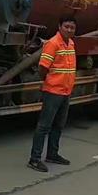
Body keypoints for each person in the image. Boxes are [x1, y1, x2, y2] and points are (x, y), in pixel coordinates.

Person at [28, 16, 77, 172]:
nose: (69, 30)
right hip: (53, 91)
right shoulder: (53, 43)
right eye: (66, 26)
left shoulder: (71, 44)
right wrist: (50, 81)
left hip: (66, 91)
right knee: (44, 126)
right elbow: (43, 68)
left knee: (59, 125)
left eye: (72, 27)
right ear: (59, 27)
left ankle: (52, 154)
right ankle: (34, 159)